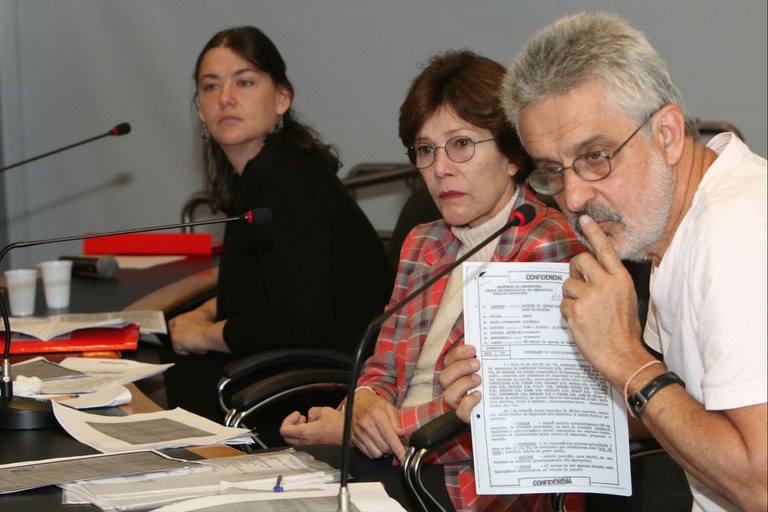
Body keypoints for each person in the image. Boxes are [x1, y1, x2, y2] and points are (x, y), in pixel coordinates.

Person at [441, 13, 767, 512]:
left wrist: (625, 359)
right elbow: (689, 415)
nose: (572, 197)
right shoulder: (676, 226)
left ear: (669, 133)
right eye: (553, 170)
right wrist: (511, 401)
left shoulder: (736, 235)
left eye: (595, 156)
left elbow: (760, 485)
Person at [280, 49, 585, 512]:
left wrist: (358, 430)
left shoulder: (545, 243)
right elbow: (381, 369)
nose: (441, 168)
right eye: (426, 150)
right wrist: (361, 404)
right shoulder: (424, 241)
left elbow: (505, 422)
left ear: (511, 153)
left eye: (461, 144)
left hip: (473, 484)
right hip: (391, 459)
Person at [165, 26, 393, 422]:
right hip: (303, 363)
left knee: (179, 368)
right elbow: (275, 285)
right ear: (200, 110)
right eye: (211, 87)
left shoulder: (287, 180)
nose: (226, 99)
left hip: (323, 388)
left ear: (282, 99)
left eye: (245, 82)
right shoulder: (268, 171)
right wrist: (206, 311)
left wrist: (203, 334)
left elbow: (300, 318)